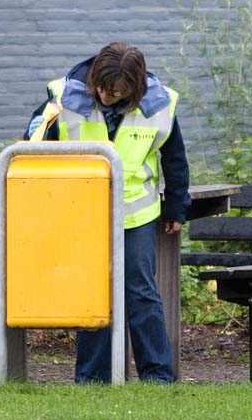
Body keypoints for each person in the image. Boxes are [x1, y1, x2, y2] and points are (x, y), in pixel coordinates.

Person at [23, 42, 191, 383]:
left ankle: (158, 376)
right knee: (91, 293)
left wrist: (175, 206)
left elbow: (174, 159)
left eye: (114, 92)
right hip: (80, 213)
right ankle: (92, 378)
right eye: (100, 86)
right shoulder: (61, 98)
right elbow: (32, 148)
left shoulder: (160, 105)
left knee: (141, 293)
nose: (104, 95)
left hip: (135, 213)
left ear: (135, 89)